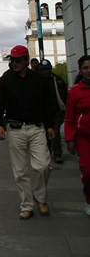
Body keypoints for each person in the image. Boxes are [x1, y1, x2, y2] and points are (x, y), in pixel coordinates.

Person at [0, 44, 56, 220]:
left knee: (43, 166)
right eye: (12, 60)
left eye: (18, 60)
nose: (15, 63)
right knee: (20, 171)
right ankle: (27, 205)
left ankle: (40, 198)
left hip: (36, 128)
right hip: (15, 129)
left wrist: (50, 125)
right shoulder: (6, 79)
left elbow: (49, 103)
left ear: (26, 60)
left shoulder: (38, 79)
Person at [65, 55, 90, 217]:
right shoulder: (75, 92)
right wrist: (70, 139)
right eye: (85, 68)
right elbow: (69, 118)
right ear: (80, 71)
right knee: (87, 172)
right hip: (84, 138)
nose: (89, 71)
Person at [38, 59, 69, 164]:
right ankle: (47, 153)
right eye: (43, 70)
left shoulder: (58, 80)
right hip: (43, 113)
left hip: (57, 111)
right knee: (44, 133)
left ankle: (57, 154)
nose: (46, 72)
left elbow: (64, 95)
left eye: (47, 69)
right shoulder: (37, 81)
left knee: (55, 132)